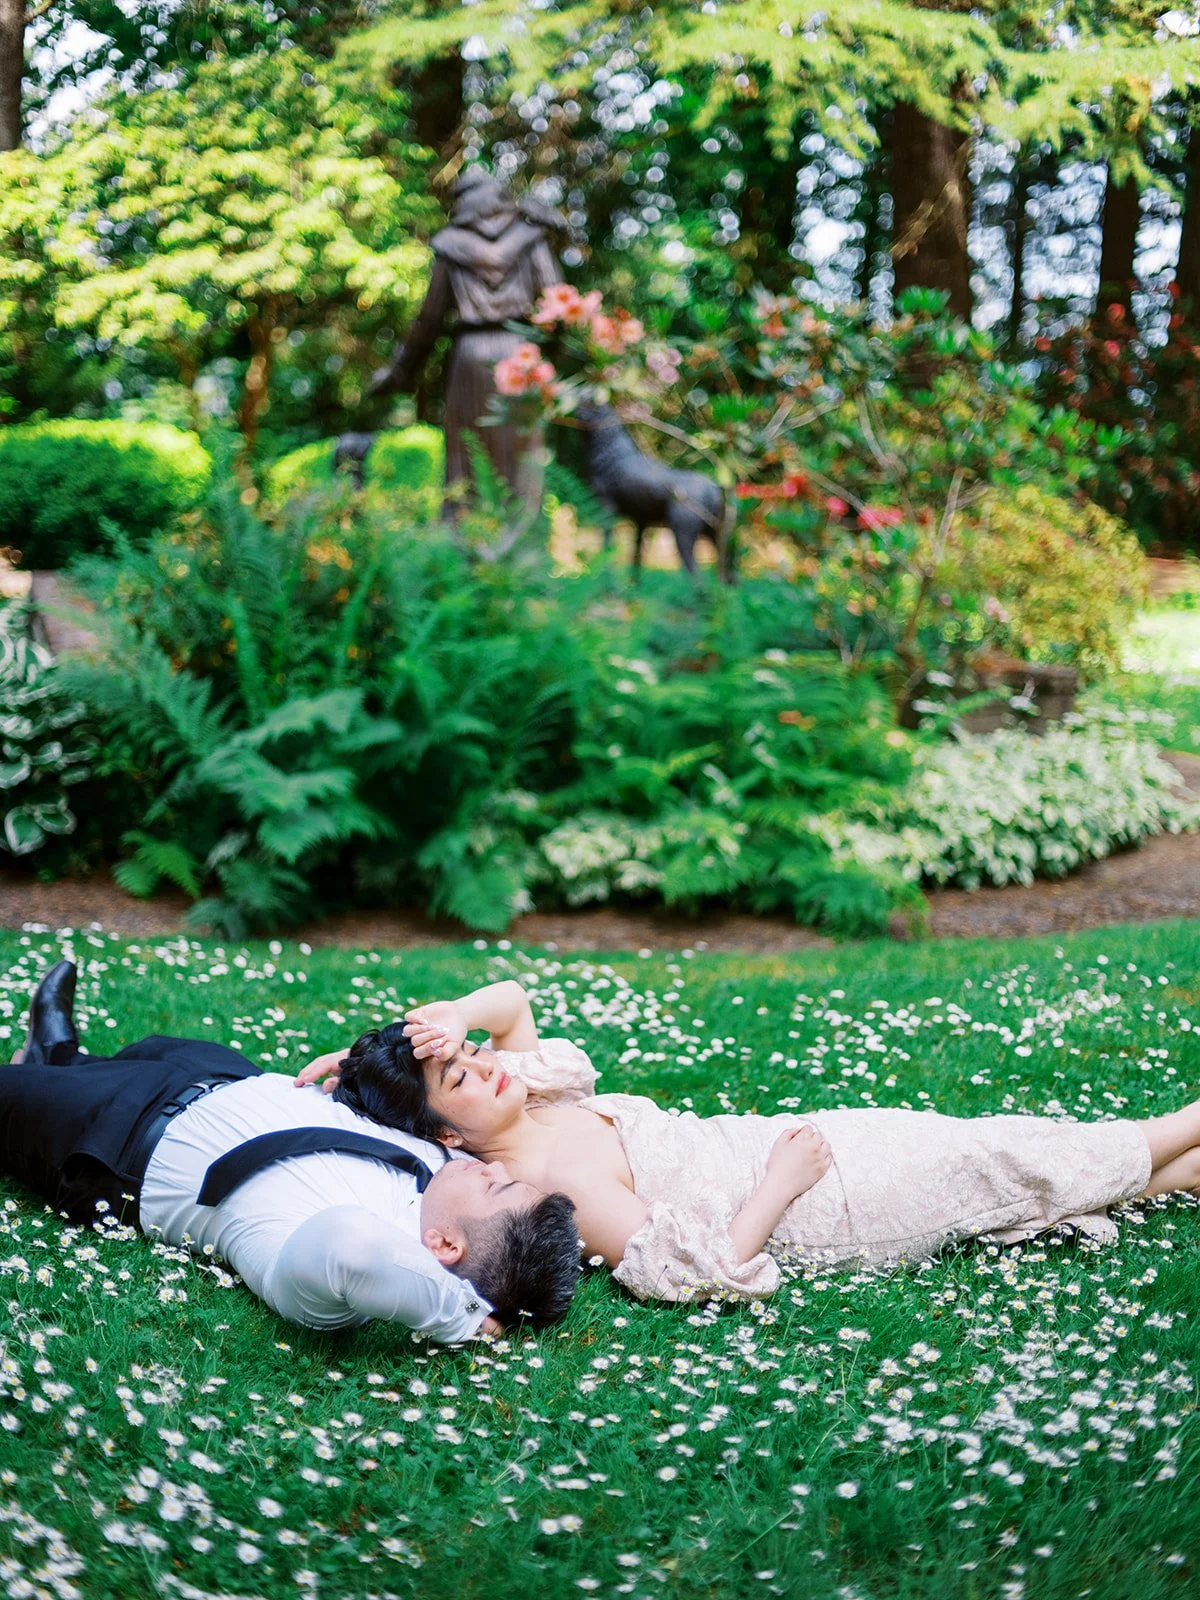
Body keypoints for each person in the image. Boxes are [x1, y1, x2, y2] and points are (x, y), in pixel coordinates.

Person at [297, 978, 1200, 1303]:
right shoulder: (555, 1177)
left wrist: (448, 1021)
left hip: (811, 1143)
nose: (488, 1065)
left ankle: (1177, 1167)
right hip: (822, 1202)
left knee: (1007, 1151)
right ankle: (1182, 1124)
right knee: (1002, 1164)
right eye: (463, 1078)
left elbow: (512, 1002)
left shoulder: (533, 1098)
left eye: (473, 1054)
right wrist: (781, 1180)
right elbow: (699, 1273)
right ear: (443, 1134)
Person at [0, 962, 581, 1339]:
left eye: (497, 1185)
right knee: (118, 1057)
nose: (492, 1168)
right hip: (225, 1075)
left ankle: (49, 1064)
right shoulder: (451, 1175)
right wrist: (360, 1067)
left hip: (120, 1141)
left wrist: (466, 1319)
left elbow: (354, 1247)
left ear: (446, 1245)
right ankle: (58, 1054)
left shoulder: (331, 1286)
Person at [369, 167, 565, 510]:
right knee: (523, 457)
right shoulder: (530, 238)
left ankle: (465, 531)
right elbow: (558, 305)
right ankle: (523, 536)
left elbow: (428, 321)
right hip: (521, 357)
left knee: (468, 457)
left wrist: (400, 372)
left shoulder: (450, 246)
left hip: (469, 359)